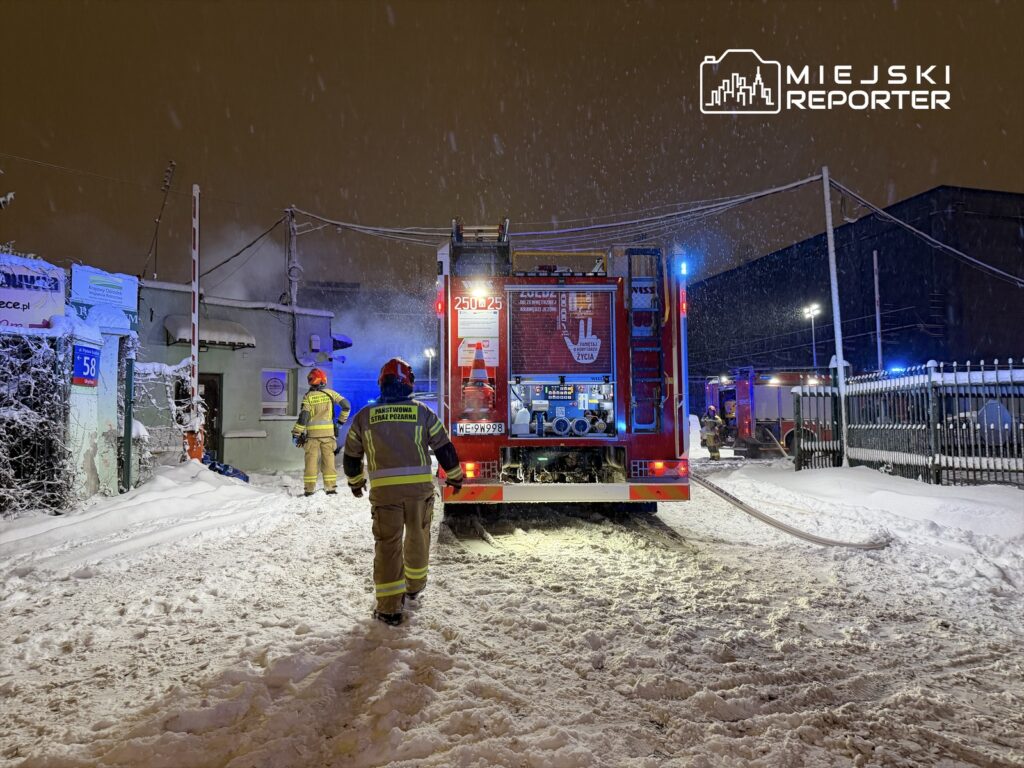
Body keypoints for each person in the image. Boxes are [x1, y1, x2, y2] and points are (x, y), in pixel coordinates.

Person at [342, 357, 463, 626]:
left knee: (388, 546)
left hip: (385, 495)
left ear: (381, 383)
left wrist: (356, 482)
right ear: (408, 383)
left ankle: (389, 608)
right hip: (418, 492)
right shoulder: (422, 412)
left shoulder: (365, 416)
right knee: (418, 537)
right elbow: (444, 447)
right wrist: (455, 476)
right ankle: (414, 586)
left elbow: (351, 455)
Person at [292, 368, 351, 496]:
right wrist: (340, 422)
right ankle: (330, 488)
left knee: (311, 462)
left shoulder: (308, 397)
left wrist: (296, 433)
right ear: (323, 380)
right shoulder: (331, 393)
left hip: (312, 437)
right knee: (329, 461)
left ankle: (309, 490)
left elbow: (303, 417)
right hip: (329, 435)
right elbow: (346, 406)